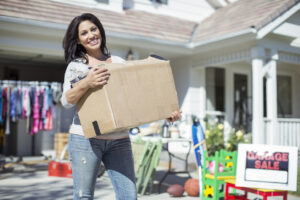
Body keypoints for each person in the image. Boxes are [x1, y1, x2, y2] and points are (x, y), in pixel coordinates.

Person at [61, 13, 182, 200]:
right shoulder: (77, 67)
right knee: (83, 196)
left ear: (100, 30)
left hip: (119, 140)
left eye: (93, 29)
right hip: (86, 140)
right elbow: (66, 101)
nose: (91, 35)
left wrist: (165, 113)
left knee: (129, 196)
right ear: (78, 40)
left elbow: (136, 98)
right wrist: (87, 82)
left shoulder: (118, 62)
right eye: (84, 33)